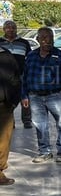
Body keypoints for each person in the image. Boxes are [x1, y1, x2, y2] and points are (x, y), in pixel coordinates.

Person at [21, 27, 61, 163]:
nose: (47, 40)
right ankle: (44, 151)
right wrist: (24, 95)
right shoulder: (31, 56)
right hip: (35, 97)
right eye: (44, 37)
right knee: (40, 125)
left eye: (50, 37)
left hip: (56, 96)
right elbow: (24, 77)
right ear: (38, 40)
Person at [0, 20, 32, 128]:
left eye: (13, 27)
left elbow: (29, 58)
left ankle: (27, 120)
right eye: (8, 27)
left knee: (25, 97)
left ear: (16, 29)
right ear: (4, 29)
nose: (11, 29)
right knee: (7, 98)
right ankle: (10, 121)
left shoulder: (24, 42)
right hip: (5, 76)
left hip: (22, 74)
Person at [0, 44, 21, 185]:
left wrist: (13, 101)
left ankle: (0, 171)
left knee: (3, 141)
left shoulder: (5, 55)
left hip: (4, 106)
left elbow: (16, 78)